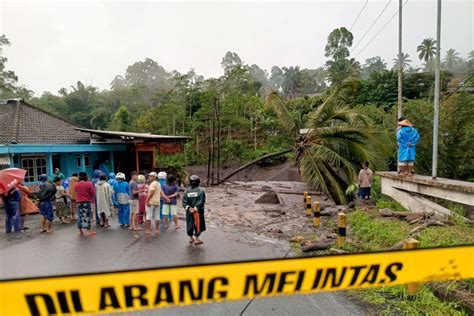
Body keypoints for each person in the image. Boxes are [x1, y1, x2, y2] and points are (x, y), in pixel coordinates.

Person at [182, 175, 206, 245]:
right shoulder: (201, 191)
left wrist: (189, 208)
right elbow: (201, 201)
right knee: (198, 224)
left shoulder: (186, 191)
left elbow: (184, 201)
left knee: (189, 224)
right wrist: (195, 208)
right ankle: (197, 239)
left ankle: (190, 238)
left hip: (189, 211)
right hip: (198, 212)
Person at [75, 172, 96, 236]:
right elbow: (93, 192)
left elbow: (76, 191)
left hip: (79, 202)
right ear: (86, 177)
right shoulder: (89, 184)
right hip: (86, 201)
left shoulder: (76, 184)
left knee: (79, 216)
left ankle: (80, 231)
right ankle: (89, 231)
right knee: (86, 216)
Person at [145, 172, 166, 236]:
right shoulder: (158, 183)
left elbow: (152, 192)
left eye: (151, 176)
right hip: (157, 202)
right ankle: (156, 229)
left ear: (154, 177)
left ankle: (148, 230)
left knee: (149, 216)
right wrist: (166, 197)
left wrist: (147, 200)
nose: (149, 177)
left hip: (151, 202)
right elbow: (161, 192)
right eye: (149, 176)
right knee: (157, 217)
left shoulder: (152, 184)